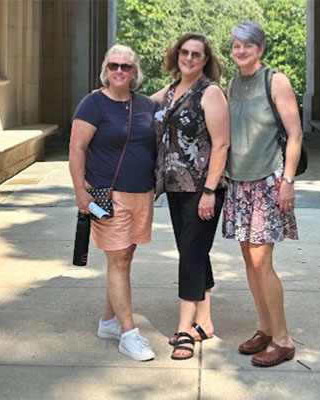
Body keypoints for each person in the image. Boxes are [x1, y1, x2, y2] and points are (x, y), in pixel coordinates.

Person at [69, 44, 157, 362]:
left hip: (142, 194)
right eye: (114, 66)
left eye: (126, 67)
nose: (119, 71)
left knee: (125, 257)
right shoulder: (93, 104)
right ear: (106, 69)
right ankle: (128, 334)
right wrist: (81, 192)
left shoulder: (146, 105)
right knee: (118, 259)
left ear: (135, 73)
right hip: (108, 195)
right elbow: (77, 148)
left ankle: (108, 322)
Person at [222, 21, 303, 367]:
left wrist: (287, 181)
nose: (241, 51)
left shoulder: (276, 80)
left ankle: (283, 339)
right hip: (237, 182)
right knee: (248, 259)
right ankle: (265, 329)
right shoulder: (232, 83)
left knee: (261, 262)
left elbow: (295, 134)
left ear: (260, 49)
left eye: (248, 46)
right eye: (236, 46)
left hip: (267, 182)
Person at [151, 33, 230, 360]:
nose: (189, 58)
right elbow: (141, 103)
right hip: (175, 187)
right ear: (176, 55)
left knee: (190, 255)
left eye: (196, 54)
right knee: (193, 251)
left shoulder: (210, 93)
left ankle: (185, 329)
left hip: (202, 188)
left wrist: (210, 191)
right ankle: (205, 321)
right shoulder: (171, 91)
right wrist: (106, 94)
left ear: (205, 59)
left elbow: (221, 144)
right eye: (184, 52)